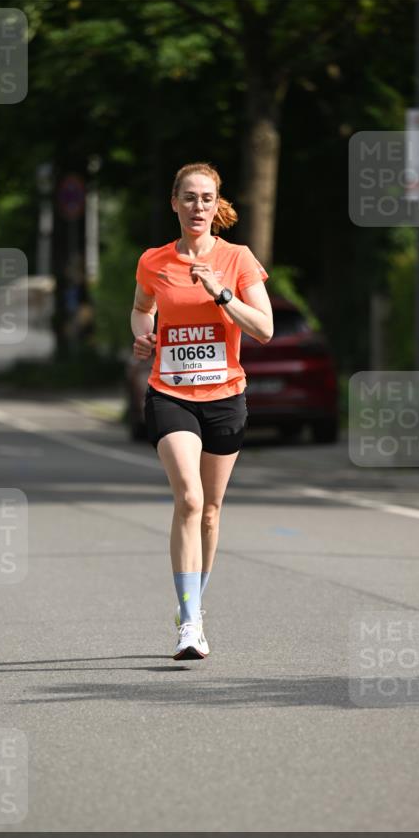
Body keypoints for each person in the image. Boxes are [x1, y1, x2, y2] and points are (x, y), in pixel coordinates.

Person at [131, 162, 273, 662]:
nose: (198, 207)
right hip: (170, 394)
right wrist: (143, 335)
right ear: (174, 203)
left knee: (211, 512)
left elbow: (264, 328)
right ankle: (190, 624)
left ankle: (193, 605)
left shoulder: (237, 258)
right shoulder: (153, 261)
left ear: (217, 205)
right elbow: (142, 308)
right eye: (189, 197)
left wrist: (221, 293)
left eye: (206, 198)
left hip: (226, 397)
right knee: (189, 500)